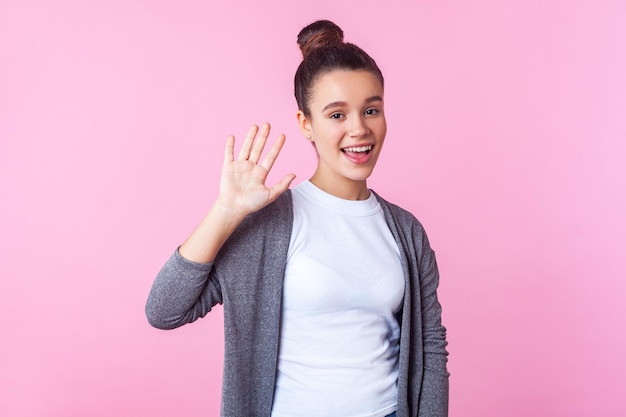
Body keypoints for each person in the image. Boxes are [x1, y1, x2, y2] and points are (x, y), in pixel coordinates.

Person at [146, 19, 449, 417]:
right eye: (337, 115)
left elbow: (429, 344)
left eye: (371, 109)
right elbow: (164, 310)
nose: (360, 129)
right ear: (306, 124)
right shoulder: (269, 225)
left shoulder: (405, 232)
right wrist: (226, 212)